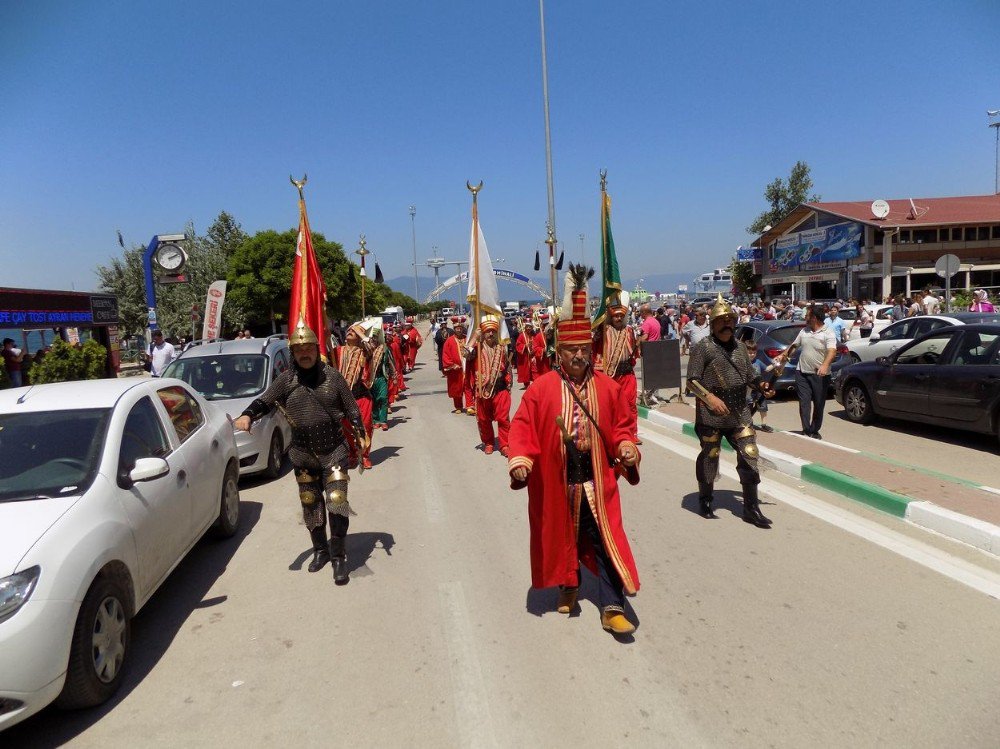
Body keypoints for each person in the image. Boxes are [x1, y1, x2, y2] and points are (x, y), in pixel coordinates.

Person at [507, 264, 641, 636]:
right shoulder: (541, 388)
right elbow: (522, 427)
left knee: (603, 537)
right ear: (559, 351)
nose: (580, 354)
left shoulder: (608, 388)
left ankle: (612, 605)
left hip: (596, 476)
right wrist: (520, 460)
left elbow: (622, 427)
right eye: (572, 349)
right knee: (564, 533)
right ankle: (568, 584)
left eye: (584, 347)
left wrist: (627, 447)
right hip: (558, 477)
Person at [234, 322, 367, 584]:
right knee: (311, 502)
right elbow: (265, 401)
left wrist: (360, 430)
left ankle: (339, 557)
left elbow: (351, 407)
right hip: (302, 453)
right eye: (299, 350)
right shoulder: (285, 380)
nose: (305, 354)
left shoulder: (333, 377)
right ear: (293, 354)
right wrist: (248, 415)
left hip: (334, 450)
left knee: (337, 501)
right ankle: (321, 551)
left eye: (309, 348)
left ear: (316, 350)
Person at [686, 294, 775, 526]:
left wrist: (761, 385)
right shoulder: (703, 348)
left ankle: (751, 508)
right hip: (711, 413)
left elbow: (750, 375)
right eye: (721, 321)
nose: (726, 324)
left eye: (730, 320)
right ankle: (705, 499)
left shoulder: (741, 349)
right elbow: (692, 381)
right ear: (713, 324)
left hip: (739, 411)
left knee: (749, 453)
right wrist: (710, 398)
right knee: (710, 455)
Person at [776, 304, 836, 440]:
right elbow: (794, 346)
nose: (805, 318)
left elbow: (832, 351)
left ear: (814, 318)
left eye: (807, 315)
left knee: (819, 403)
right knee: (804, 402)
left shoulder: (828, 332)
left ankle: (815, 429)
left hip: (820, 375)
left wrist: (825, 365)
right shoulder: (804, 331)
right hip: (802, 372)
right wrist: (783, 355)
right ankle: (806, 429)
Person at [593, 296, 641, 444]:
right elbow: (595, 343)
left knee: (630, 405)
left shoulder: (629, 331)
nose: (618, 318)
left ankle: (632, 433)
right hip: (610, 375)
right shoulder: (604, 330)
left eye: (621, 315)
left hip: (627, 374)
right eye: (616, 316)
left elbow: (634, 352)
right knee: (610, 405)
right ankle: (611, 432)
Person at [468, 315, 512, 455]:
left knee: (503, 418)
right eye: (488, 331)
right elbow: (465, 353)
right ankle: (488, 442)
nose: (490, 334)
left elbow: (508, 367)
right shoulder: (477, 348)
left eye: (493, 331)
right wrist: (475, 337)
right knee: (483, 419)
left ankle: (505, 444)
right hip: (482, 390)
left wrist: (508, 382)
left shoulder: (502, 348)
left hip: (500, 389)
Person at [334, 321, 375, 470]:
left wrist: (360, 331)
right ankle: (352, 454)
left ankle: (364, 456)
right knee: (346, 428)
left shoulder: (364, 351)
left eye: (355, 331)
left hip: (361, 396)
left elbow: (372, 347)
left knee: (365, 426)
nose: (351, 331)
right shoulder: (338, 351)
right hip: (343, 398)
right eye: (349, 330)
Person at [442, 316, 469, 413]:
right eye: (457, 328)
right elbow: (445, 354)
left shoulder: (468, 339)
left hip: (467, 367)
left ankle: (470, 405)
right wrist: (452, 365)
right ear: (454, 329)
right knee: (456, 388)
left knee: (468, 386)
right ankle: (458, 406)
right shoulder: (449, 341)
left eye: (460, 328)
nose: (459, 330)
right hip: (455, 369)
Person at [744, 340, 772, 432]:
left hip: (759, 387)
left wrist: (775, 364)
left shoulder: (758, 362)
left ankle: (764, 424)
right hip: (749, 388)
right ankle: (748, 422)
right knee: (749, 405)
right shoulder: (743, 363)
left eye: (754, 353)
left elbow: (767, 369)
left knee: (762, 405)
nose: (752, 355)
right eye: (750, 353)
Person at [514, 319, 536, 389]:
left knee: (534, 369)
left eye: (530, 327)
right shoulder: (521, 335)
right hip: (525, 356)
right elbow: (517, 344)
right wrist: (524, 346)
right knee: (525, 370)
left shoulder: (534, 335)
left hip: (532, 355)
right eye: (527, 326)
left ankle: (535, 383)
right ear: (525, 327)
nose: (529, 328)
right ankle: (526, 384)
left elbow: (536, 343)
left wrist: (533, 347)